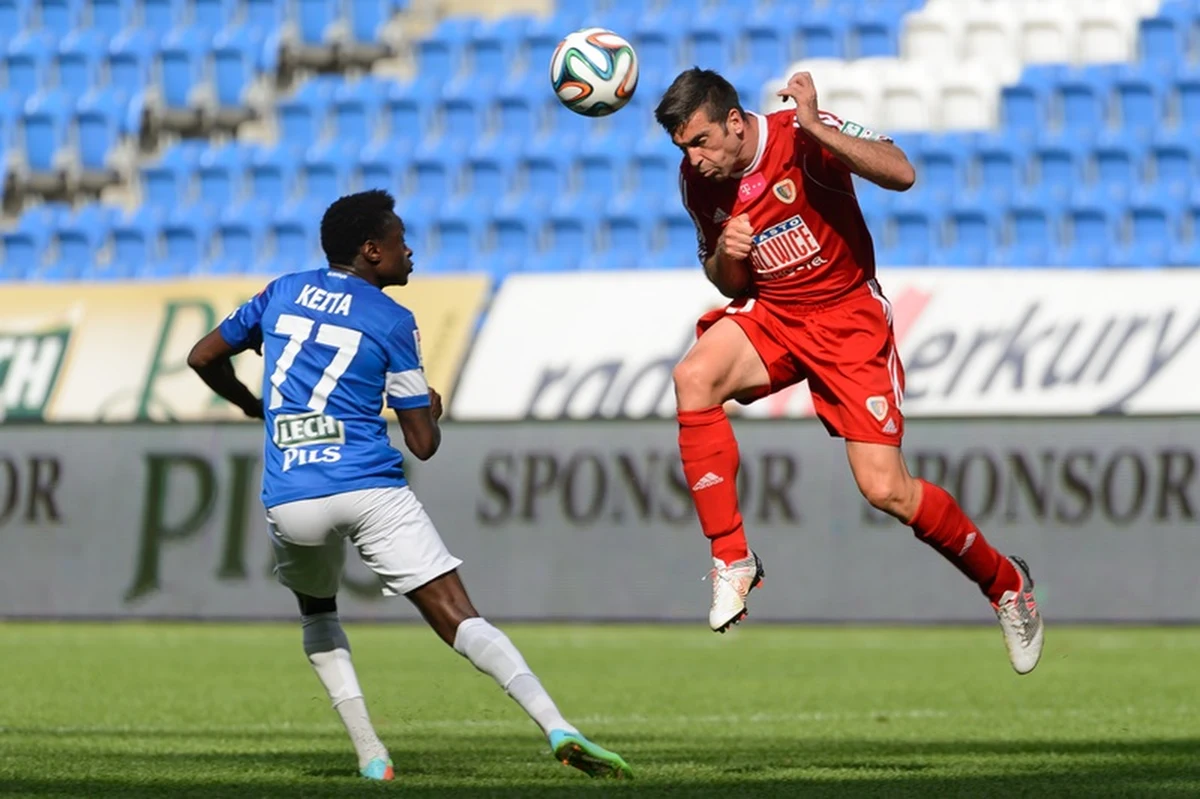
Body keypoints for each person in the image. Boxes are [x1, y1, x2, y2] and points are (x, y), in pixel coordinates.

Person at [186, 189, 632, 781]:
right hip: (367, 486)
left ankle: (371, 753)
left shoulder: (282, 291)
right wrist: (430, 405)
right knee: (456, 614)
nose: (409, 250)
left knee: (318, 613)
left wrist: (252, 404)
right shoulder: (393, 320)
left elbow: (202, 355)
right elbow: (422, 442)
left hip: (291, 494)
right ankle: (558, 726)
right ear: (372, 251)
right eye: (399, 241)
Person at [655, 68, 1043, 674]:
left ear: (734, 121)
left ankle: (1005, 584)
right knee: (693, 377)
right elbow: (726, 279)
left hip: (846, 320)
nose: (693, 158)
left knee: (886, 490)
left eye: (700, 140)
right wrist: (726, 258)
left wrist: (815, 125)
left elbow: (902, 172)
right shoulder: (696, 181)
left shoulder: (802, 135)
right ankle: (732, 557)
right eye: (682, 147)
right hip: (777, 315)